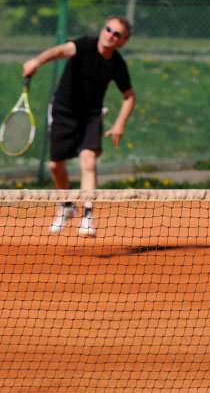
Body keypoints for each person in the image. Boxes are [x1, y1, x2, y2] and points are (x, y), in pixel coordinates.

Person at [22, 15, 136, 237]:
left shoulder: (117, 64)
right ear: (102, 29)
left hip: (91, 116)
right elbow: (59, 51)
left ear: (122, 41)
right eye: (108, 29)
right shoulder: (84, 45)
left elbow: (129, 97)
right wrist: (36, 61)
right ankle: (66, 205)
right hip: (63, 112)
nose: (111, 35)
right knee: (56, 167)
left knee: (88, 161)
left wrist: (120, 123)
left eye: (117, 34)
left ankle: (87, 216)